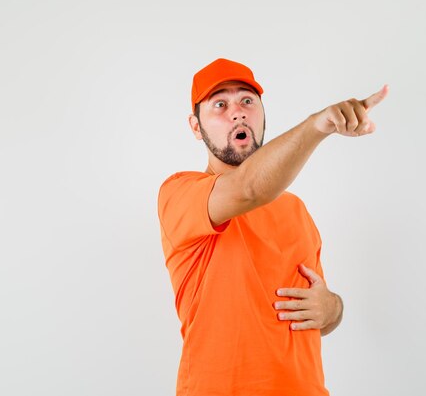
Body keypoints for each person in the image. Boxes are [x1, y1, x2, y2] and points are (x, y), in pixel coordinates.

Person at [157, 58, 388, 396]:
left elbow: (315, 311)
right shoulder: (179, 194)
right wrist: (317, 125)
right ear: (196, 127)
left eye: (247, 101)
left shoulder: (295, 209)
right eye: (220, 104)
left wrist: (333, 308)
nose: (237, 113)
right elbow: (249, 188)